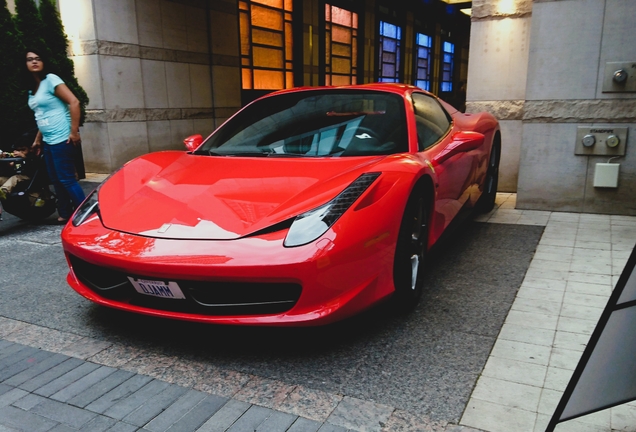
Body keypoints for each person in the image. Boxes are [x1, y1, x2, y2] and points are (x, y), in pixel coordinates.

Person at [24, 49, 85, 223]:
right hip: (48, 141)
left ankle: (86, 213)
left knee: (67, 179)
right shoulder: (32, 90)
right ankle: (66, 213)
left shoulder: (51, 79)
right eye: (30, 60)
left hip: (62, 137)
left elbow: (74, 102)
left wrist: (73, 132)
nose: (34, 62)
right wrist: (38, 140)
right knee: (56, 180)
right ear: (25, 64)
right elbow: (42, 116)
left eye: (38, 58)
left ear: (43, 62)